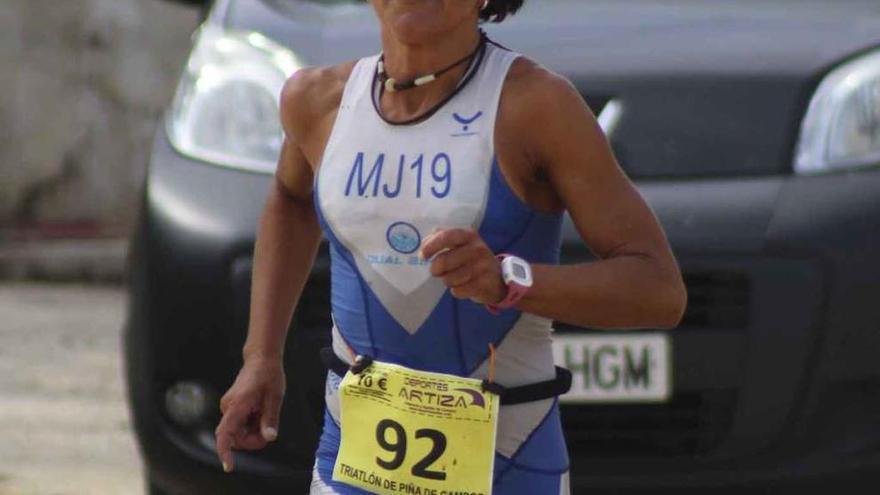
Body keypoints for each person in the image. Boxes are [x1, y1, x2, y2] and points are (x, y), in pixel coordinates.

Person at [214, 0, 687, 493]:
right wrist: (262, 356)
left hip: (510, 469)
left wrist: (508, 280)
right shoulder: (316, 101)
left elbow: (658, 289)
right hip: (349, 471)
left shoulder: (537, 106)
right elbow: (291, 199)